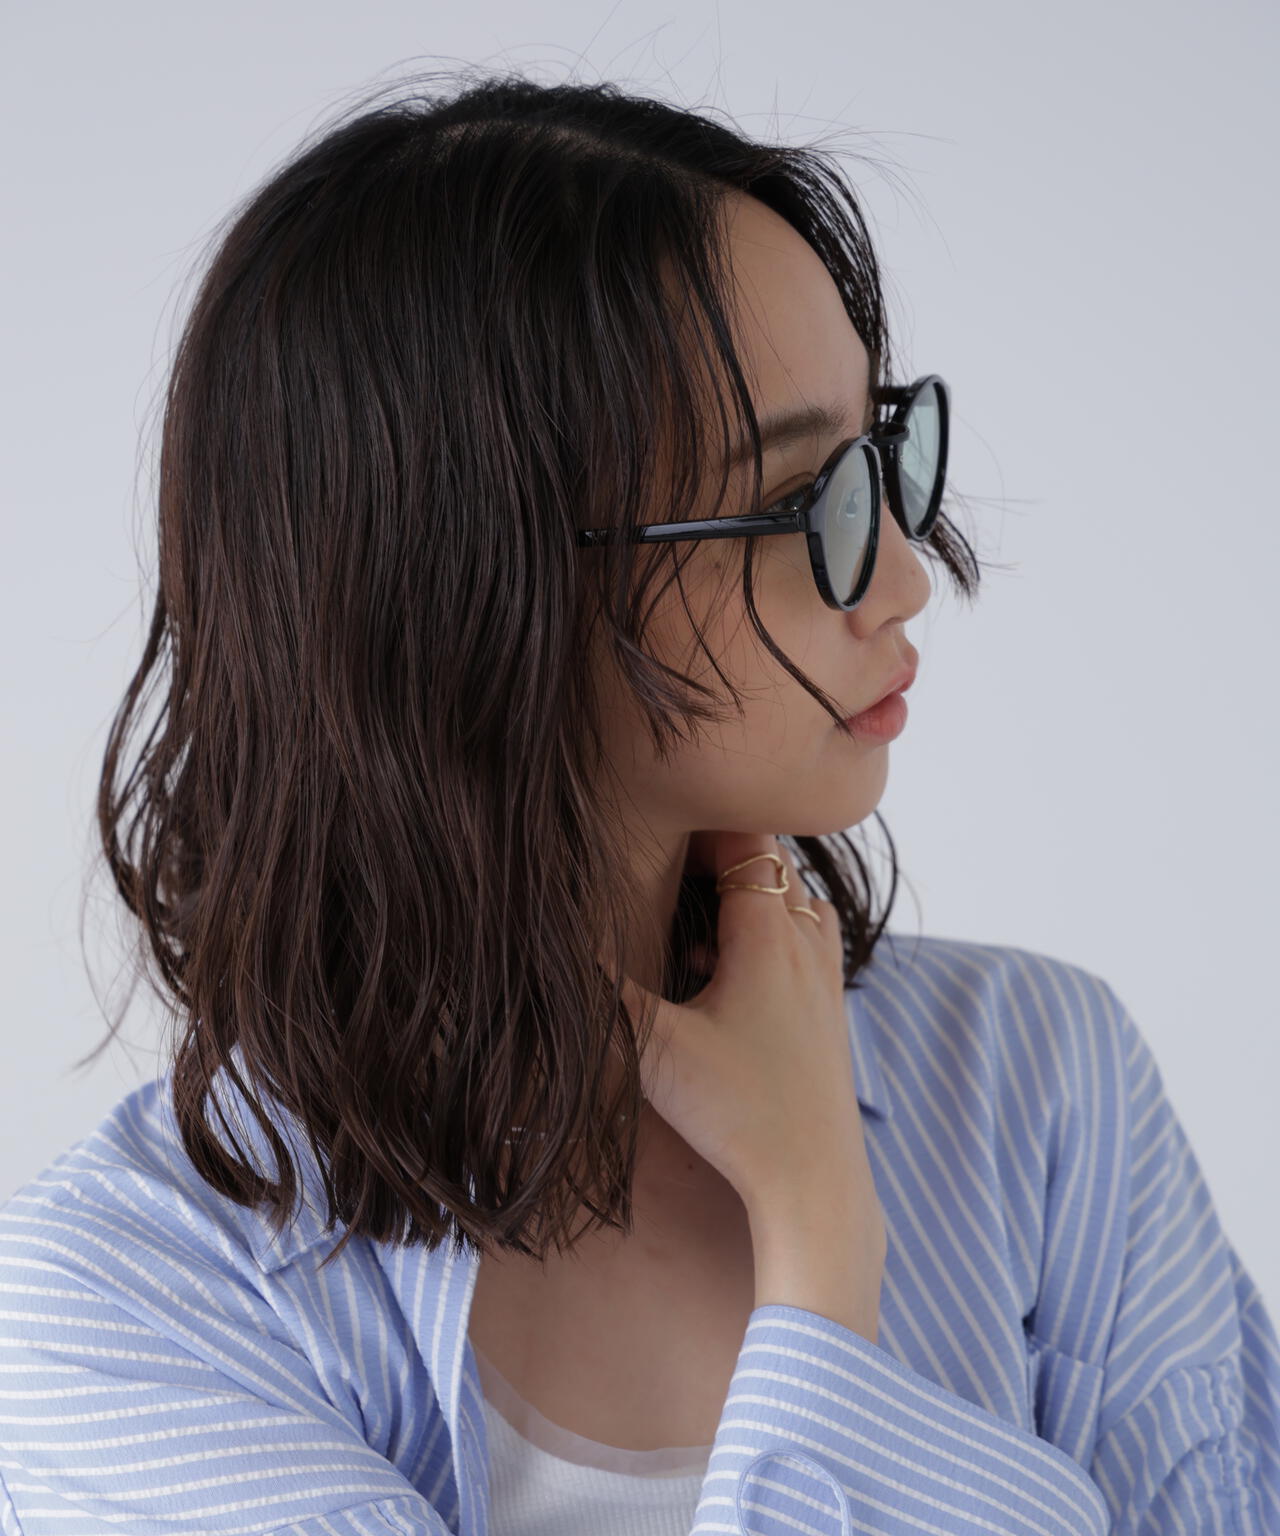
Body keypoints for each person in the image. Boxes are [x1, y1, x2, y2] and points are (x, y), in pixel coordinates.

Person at [1, 67, 1275, 1536]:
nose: (907, 576)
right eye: (801, 504)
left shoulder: (1041, 1089)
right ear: (471, 588)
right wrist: (820, 1253)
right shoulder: (126, 1304)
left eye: (880, 459)